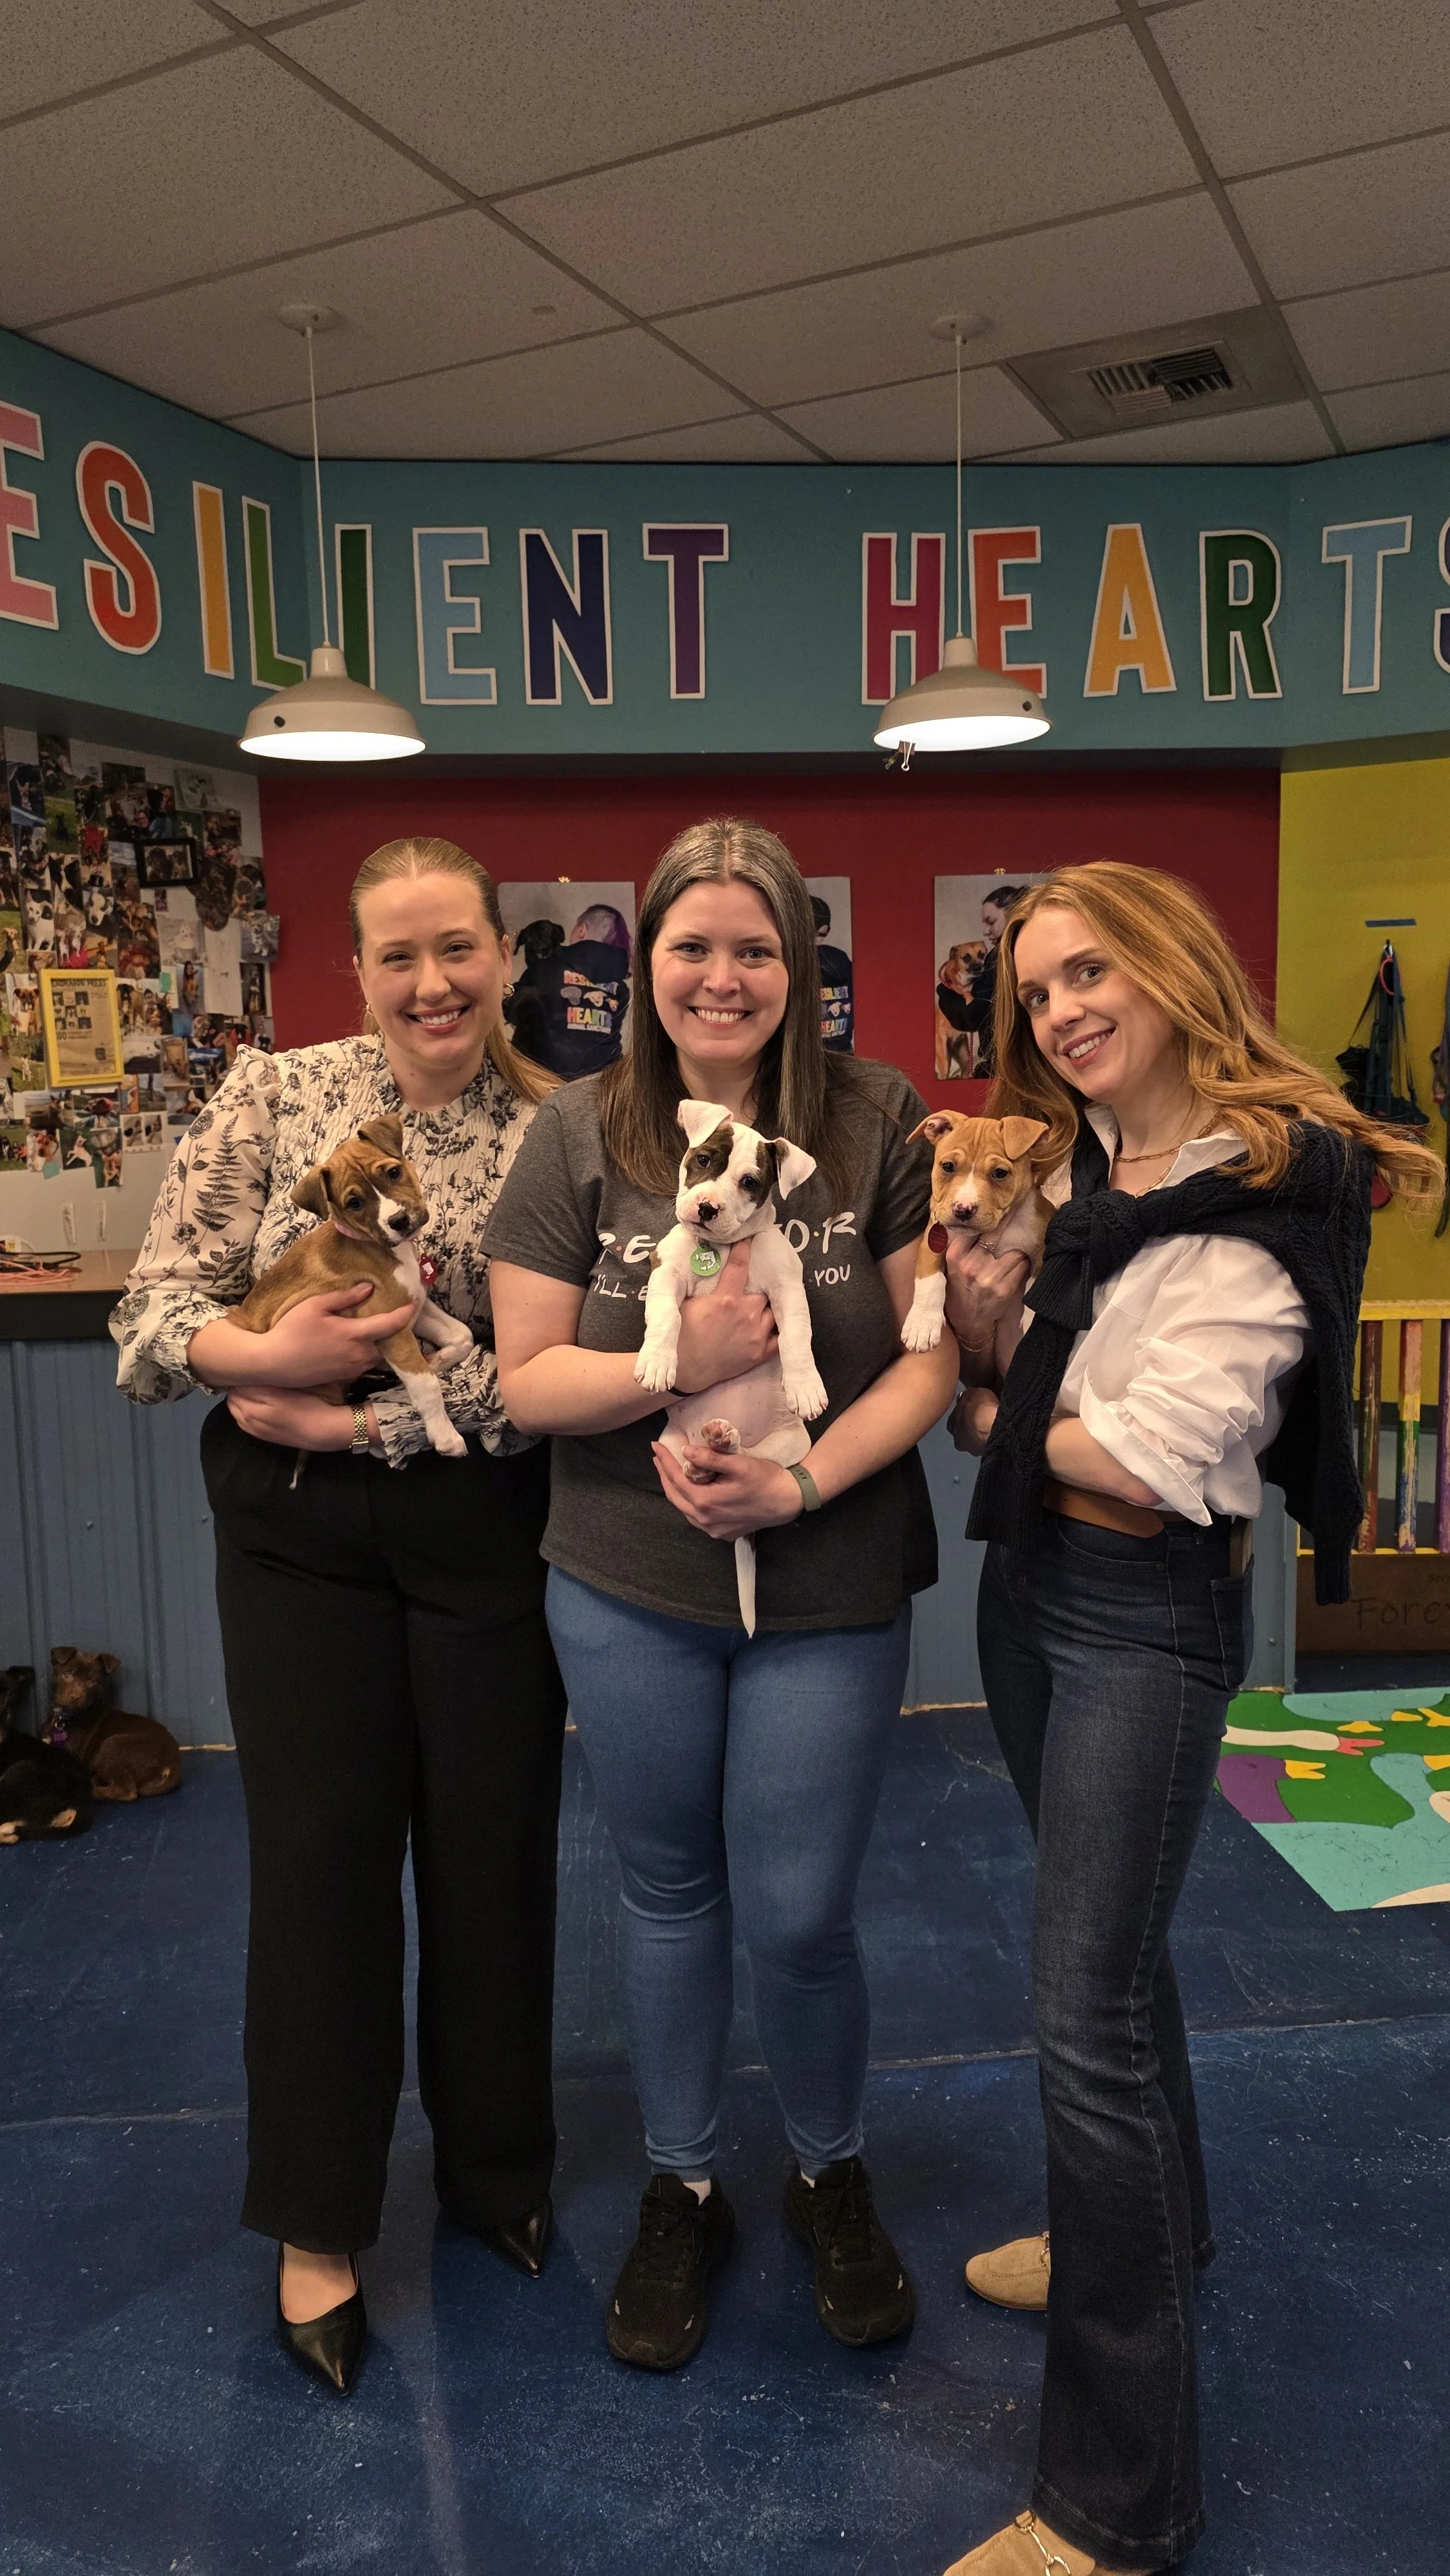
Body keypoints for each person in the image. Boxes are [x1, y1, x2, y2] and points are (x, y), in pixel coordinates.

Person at [936, 862, 1440, 2576]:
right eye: (1037, 991)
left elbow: (1152, 1459)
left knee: (1080, 2015)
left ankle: (1112, 2506)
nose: (1064, 1011)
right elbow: (1016, 1376)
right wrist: (1010, 1383)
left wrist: (1007, 1404)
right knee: (1121, 1965)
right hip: (1030, 1594)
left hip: (1148, 1610)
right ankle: (1152, 2239)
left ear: (1168, 964)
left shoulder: (1266, 1181)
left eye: (1091, 974)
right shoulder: (1081, 1167)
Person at [486, 817, 957, 2373]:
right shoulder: (576, 1131)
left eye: (753, 945)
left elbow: (924, 1359)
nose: (720, 973)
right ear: (644, 961)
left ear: (798, 964)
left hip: (821, 1577)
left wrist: (802, 1480)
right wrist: (676, 1366)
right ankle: (682, 2183)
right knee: (666, 1892)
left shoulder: (878, 1115)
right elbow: (525, 1377)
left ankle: (827, 2168)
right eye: (689, 942)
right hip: (624, 1583)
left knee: (804, 1910)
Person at [111, 835, 568, 2396]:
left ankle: (498, 2171)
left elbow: (543, 1377)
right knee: (317, 1866)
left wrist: (348, 1418)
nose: (431, 982)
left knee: (494, 1850)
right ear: (357, 972)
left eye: (458, 948)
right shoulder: (270, 1096)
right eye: (398, 955)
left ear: (503, 955)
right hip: (295, 1542)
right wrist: (260, 1367)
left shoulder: (559, 1128)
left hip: (478, 1524)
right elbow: (155, 1310)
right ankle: (318, 2224)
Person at [511, 901, 632, 1077]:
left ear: (582, 930)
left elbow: (514, 1011)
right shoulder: (621, 989)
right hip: (603, 1082)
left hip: (543, 1083)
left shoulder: (544, 970)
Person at [959, 882, 1029, 1079]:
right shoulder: (1001, 954)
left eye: (991, 921)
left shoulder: (1003, 955)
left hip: (1008, 1065)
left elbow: (979, 1013)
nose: (985, 931)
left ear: (1013, 912)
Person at [811, 893, 854, 1052]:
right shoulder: (839, 959)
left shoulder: (837, 959)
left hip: (836, 1050)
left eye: (821, 935)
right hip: (840, 1050)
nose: (818, 940)